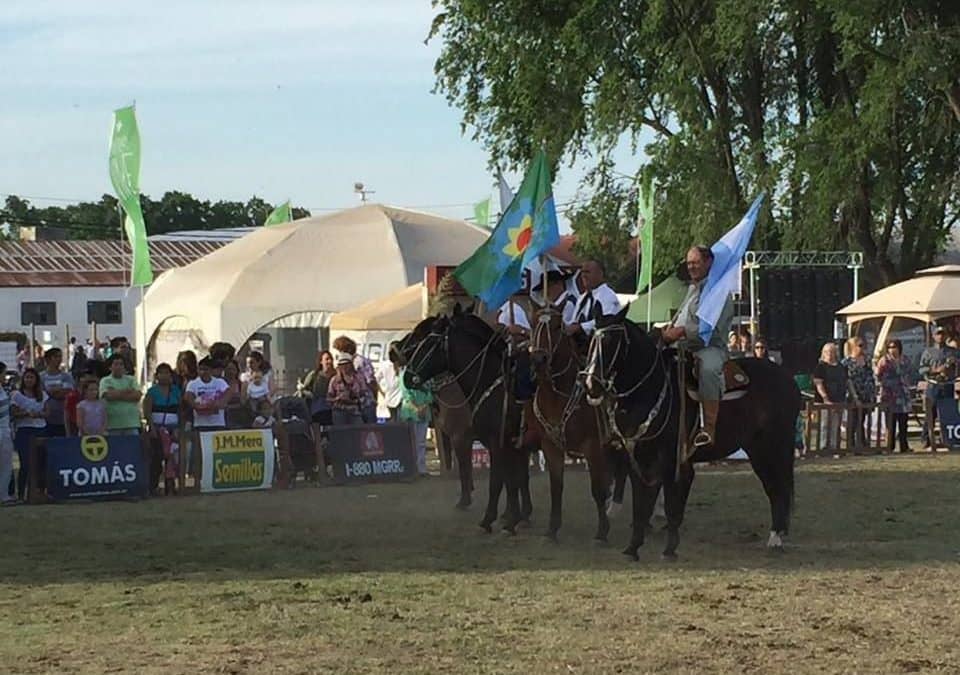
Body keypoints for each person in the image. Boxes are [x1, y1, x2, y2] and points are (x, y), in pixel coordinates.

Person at [661, 246, 734, 447]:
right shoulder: (692, 289)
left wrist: (682, 332)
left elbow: (712, 329)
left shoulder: (718, 292)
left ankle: (709, 428)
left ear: (709, 262)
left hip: (710, 347)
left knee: (708, 368)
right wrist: (668, 331)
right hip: (682, 346)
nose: (691, 267)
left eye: (696, 262)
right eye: (689, 263)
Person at [10, 367, 48, 502]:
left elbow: (47, 413)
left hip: (40, 429)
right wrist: (26, 414)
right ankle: (20, 494)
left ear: (36, 379)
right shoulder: (16, 396)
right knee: (25, 464)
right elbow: (14, 414)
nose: (29, 380)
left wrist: (37, 414)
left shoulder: (42, 395)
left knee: (40, 462)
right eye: (27, 377)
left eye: (32, 377)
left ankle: (39, 492)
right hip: (24, 431)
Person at [143, 363, 182, 493]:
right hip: (158, 429)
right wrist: (152, 428)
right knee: (156, 458)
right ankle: (152, 486)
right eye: (161, 373)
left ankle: (170, 485)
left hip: (173, 429)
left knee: (172, 458)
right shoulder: (152, 392)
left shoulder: (176, 391)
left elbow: (180, 410)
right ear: (157, 375)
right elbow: (147, 411)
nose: (164, 376)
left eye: (167, 373)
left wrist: (179, 428)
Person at [918, 325, 958, 451]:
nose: (940, 336)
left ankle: (947, 439)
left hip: (948, 385)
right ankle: (926, 439)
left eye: (942, 334)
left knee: (948, 414)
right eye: (938, 334)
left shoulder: (953, 351)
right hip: (933, 385)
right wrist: (934, 370)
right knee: (931, 414)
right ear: (934, 336)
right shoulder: (928, 352)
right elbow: (921, 369)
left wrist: (954, 364)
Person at [876, 339, 913, 454]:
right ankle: (889, 446)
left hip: (903, 395)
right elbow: (878, 376)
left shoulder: (905, 359)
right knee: (890, 423)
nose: (893, 349)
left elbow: (910, 373)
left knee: (903, 423)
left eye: (895, 347)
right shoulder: (884, 360)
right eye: (890, 347)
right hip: (889, 396)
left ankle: (904, 446)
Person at [566, 260, 621, 337]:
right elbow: (574, 321)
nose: (583, 275)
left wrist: (581, 327)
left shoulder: (608, 296)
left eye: (587, 272)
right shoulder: (582, 298)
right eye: (582, 272)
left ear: (600, 274)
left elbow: (607, 321)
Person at [842, 337, 877, 452]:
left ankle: (862, 443)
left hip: (866, 394)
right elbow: (847, 380)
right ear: (853, 347)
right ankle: (851, 444)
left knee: (861, 419)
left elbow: (871, 377)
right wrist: (854, 396)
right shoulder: (846, 362)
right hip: (853, 395)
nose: (862, 348)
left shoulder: (866, 361)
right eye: (860, 345)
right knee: (853, 420)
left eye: (863, 345)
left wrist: (873, 394)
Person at [332, 336, 378, 424]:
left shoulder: (359, 361)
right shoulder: (344, 363)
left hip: (366, 404)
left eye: (340, 350)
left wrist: (374, 400)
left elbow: (371, 382)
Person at [398, 362, 433, 476]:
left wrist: (423, 406)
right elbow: (405, 393)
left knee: (421, 442)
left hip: (424, 411)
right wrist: (416, 408)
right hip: (409, 411)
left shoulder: (424, 374)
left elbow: (430, 392)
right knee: (409, 442)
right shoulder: (404, 374)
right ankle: (410, 468)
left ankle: (421, 468)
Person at [813, 342, 847, 451]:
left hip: (839, 400)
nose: (830, 354)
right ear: (823, 353)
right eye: (827, 352)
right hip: (824, 402)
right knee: (824, 425)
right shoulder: (820, 367)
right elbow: (819, 383)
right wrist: (825, 398)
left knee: (835, 425)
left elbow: (847, 381)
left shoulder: (841, 367)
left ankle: (834, 447)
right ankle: (822, 447)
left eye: (832, 351)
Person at [99, 355, 142, 436]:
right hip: (112, 425)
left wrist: (115, 392)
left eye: (121, 364)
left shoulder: (131, 379)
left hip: (131, 424)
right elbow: (108, 396)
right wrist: (127, 391)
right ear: (110, 367)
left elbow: (137, 396)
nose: (119, 367)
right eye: (115, 364)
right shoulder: (105, 381)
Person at [184, 357, 229, 432]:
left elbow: (228, 394)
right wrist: (198, 406)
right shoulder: (192, 383)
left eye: (206, 369)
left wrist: (218, 403)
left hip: (218, 423)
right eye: (200, 369)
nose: (203, 372)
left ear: (211, 370)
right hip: (200, 424)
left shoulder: (220, 382)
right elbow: (188, 397)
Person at [40, 348, 74, 438]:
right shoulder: (41, 377)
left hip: (63, 418)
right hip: (47, 419)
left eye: (60, 356)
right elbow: (41, 394)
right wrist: (56, 390)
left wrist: (50, 392)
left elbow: (66, 392)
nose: (59, 359)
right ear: (48, 359)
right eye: (56, 357)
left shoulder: (66, 376)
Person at [327, 353, 365, 426]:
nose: (345, 367)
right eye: (342, 365)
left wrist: (355, 399)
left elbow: (364, 395)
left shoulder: (358, 378)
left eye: (347, 364)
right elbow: (328, 398)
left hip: (354, 411)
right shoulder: (334, 380)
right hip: (339, 412)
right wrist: (337, 399)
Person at [303, 350, 336, 426]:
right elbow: (304, 389)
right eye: (327, 359)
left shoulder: (336, 375)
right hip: (318, 409)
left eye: (330, 359)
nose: (329, 361)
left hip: (333, 409)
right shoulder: (314, 375)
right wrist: (311, 395)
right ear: (321, 361)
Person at [0, 362, 16, 505]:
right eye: (3, 373)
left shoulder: (4, 389)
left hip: (5, 430)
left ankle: (4, 495)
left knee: (6, 465)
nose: (5, 376)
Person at [376, 349, 403, 422]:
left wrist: (382, 393)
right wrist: (382, 392)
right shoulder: (402, 365)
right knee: (400, 424)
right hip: (398, 398)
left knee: (394, 422)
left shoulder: (384, 365)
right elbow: (375, 380)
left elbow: (375, 380)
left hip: (390, 397)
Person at [222, 360, 246, 429]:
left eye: (233, 369)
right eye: (228, 369)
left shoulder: (241, 384)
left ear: (237, 370)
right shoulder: (220, 383)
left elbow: (243, 402)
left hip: (238, 416)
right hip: (224, 416)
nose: (230, 372)